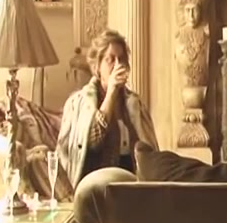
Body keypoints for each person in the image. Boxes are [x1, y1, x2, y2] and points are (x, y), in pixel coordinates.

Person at [57, 29, 158, 188]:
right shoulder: (80, 103)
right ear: (97, 66)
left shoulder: (135, 104)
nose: (118, 65)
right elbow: (93, 141)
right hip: (96, 188)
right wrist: (111, 92)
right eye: (110, 59)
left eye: (121, 59)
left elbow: (150, 153)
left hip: (132, 187)